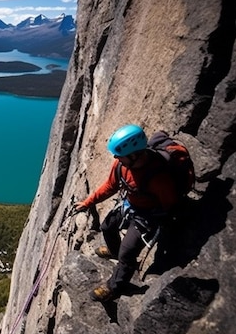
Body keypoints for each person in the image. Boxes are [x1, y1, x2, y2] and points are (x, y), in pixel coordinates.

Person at [75, 124, 177, 302]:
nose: (116, 158)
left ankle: (115, 287)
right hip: (131, 204)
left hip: (149, 215)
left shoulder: (158, 178)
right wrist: (87, 202)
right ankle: (115, 252)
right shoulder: (122, 166)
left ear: (135, 154)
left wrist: (161, 222)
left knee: (128, 252)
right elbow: (110, 187)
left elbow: (170, 204)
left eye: (120, 156)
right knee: (107, 227)